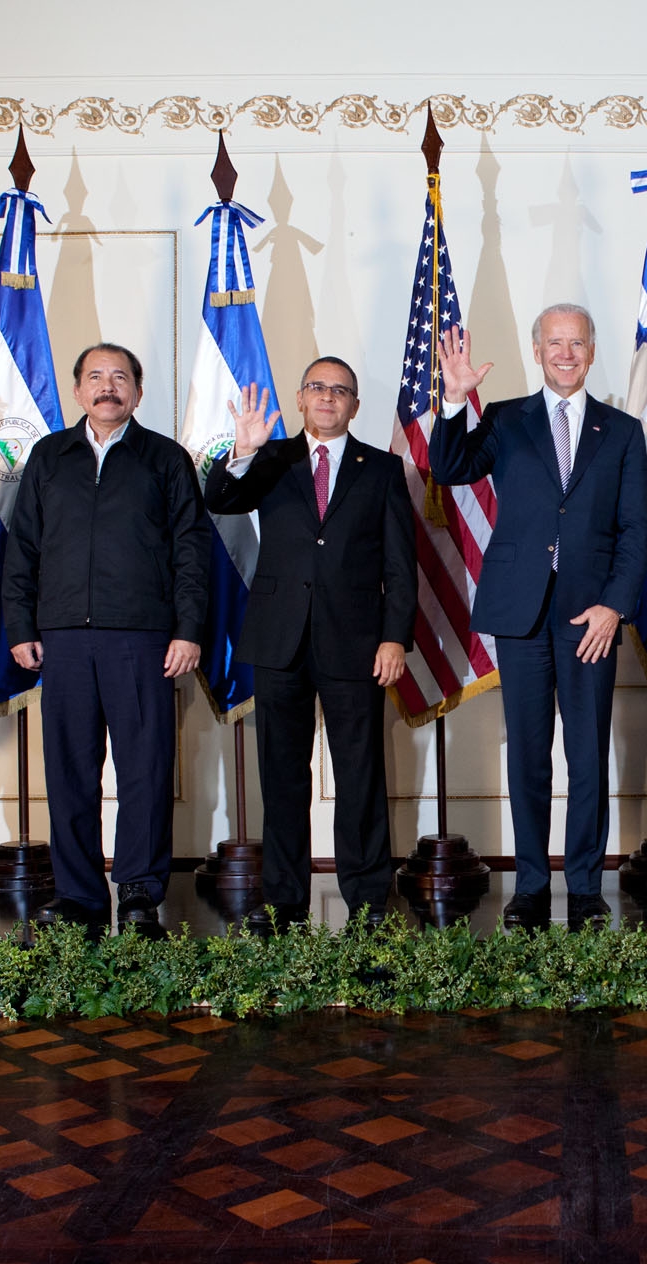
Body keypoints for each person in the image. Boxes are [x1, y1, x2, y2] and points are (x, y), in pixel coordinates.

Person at [430, 306, 647, 928]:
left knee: (587, 755)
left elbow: (636, 529)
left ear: (592, 348)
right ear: (536, 349)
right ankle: (530, 886)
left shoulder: (623, 432)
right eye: (554, 342)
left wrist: (614, 605)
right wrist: (453, 402)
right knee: (528, 754)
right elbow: (449, 469)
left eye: (575, 342)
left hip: (591, 616)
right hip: (520, 611)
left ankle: (583, 887)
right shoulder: (503, 418)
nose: (565, 352)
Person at [3, 343, 210, 939]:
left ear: (138, 393)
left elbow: (192, 554)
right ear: (77, 391)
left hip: (142, 638)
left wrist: (188, 630)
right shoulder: (49, 456)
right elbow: (22, 548)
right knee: (70, 771)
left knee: (145, 769)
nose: (108, 387)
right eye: (95, 376)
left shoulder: (164, 459)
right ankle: (78, 895)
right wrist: (21, 627)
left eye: (120, 378)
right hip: (61, 638)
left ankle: (141, 893)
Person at [204, 358, 416, 924]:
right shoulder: (271, 459)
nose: (328, 397)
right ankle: (283, 900)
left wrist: (395, 638)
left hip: (357, 643)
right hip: (280, 641)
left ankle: (369, 899)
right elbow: (220, 499)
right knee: (282, 777)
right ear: (300, 399)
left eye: (340, 390)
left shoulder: (382, 470)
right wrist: (244, 450)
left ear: (354, 404)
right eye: (318, 388)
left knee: (360, 777)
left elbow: (400, 566)